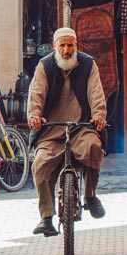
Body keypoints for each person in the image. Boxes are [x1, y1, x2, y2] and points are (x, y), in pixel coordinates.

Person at [26, 26, 107, 236]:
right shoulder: (44, 66)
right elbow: (36, 94)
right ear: (54, 47)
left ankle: (90, 196)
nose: (66, 50)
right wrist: (34, 116)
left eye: (70, 45)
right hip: (51, 130)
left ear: (76, 46)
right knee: (41, 162)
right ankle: (46, 216)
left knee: (93, 147)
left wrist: (98, 115)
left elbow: (96, 92)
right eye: (61, 45)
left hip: (81, 127)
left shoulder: (88, 64)